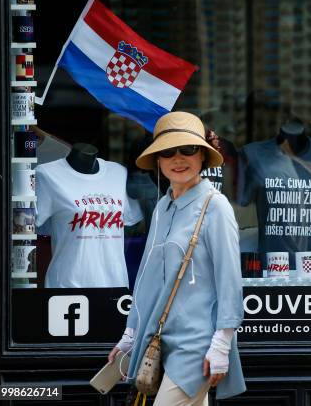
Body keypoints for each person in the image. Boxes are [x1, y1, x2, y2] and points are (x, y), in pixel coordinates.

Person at [108, 111, 245, 406]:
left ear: (203, 157)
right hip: (158, 340)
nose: (178, 158)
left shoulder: (215, 206)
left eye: (188, 149)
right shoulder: (162, 207)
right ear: (157, 159)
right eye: (168, 151)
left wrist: (222, 343)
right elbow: (146, 278)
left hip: (197, 344)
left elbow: (230, 281)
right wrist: (130, 334)